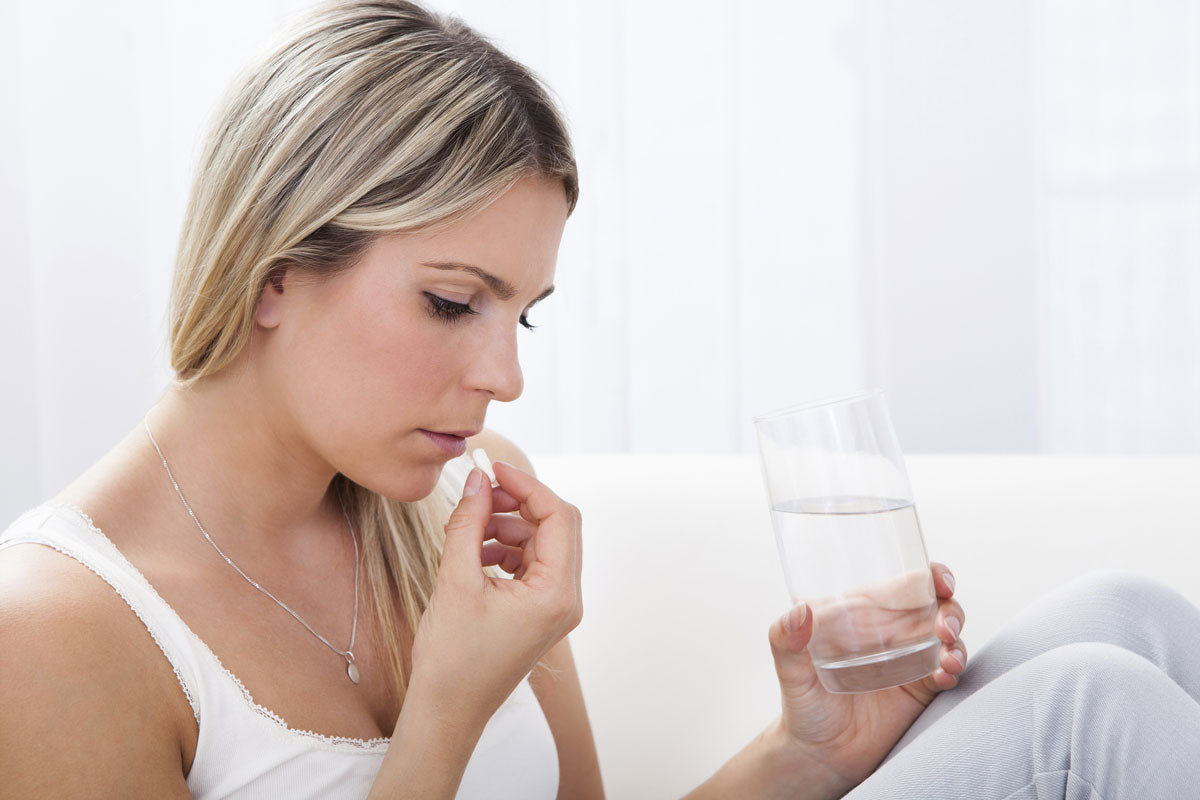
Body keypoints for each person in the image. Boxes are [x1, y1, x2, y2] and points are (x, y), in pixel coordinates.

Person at [2, 2, 1198, 798]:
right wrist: (450, 706)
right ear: (273, 271)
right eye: (449, 301)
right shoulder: (56, 632)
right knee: (1086, 706)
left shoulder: (446, 508)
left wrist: (804, 748)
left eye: (519, 313)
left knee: (1125, 613)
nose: (503, 375)